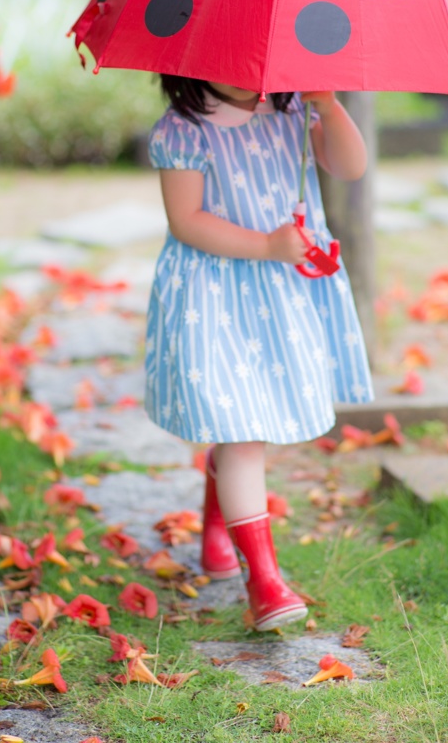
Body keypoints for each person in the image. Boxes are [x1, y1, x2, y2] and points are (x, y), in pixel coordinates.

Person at [144, 76, 373, 631]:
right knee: (243, 427)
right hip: (216, 293)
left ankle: (220, 511)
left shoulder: (293, 108)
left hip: (282, 294)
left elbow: (349, 166)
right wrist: (266, 246)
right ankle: (264, 581)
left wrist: (328, 105)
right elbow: (186, 220)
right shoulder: (184, 130)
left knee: (249, 420)